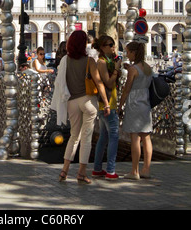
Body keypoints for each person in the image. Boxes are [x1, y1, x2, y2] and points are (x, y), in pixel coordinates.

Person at [51, 30, 111, 185]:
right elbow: (98, 82)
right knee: (86, 138)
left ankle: (64, 170)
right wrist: (106, 102)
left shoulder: (65, 60)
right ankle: (81, 173)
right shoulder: (89, 60)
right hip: (88, 101)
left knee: (73, 137)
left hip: (72, 102)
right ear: (84, 43)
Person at [117, 41, 153, 180]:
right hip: (146, 102)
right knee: (146, 137)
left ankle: (134, 171)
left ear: (134, 52)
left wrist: (120, 105)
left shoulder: (133, 70)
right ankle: (146, 169)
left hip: (134, 103)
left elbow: (127, 89)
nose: (126, 54)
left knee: (135, 138)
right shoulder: (148, 68)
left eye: (127, 51)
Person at [92, 35, 122, 180]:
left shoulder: (109, 61)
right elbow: (108, 83)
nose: (113, 47)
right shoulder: (102, 62)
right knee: (114, 136)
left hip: (110, 102)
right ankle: (110, 170)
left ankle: (97, 168)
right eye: (110, 45)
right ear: (102, 47)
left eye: (113, 44)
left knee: (104, 136)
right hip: (107, 103)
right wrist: (116, 70)